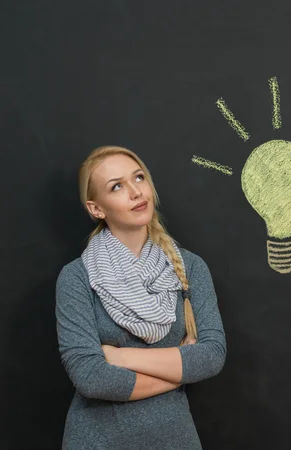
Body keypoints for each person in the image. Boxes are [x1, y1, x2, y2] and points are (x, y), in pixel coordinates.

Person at [55, 146, 226, 449]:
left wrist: (120, 357)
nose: (136, 192)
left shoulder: (190, 267)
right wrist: (180, 372)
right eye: (117, 186)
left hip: (174, 439)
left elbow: (211, 356)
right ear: (96, 208)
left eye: (139, 178)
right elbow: (91, 378)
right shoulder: (77, 277)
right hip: (96, 440)